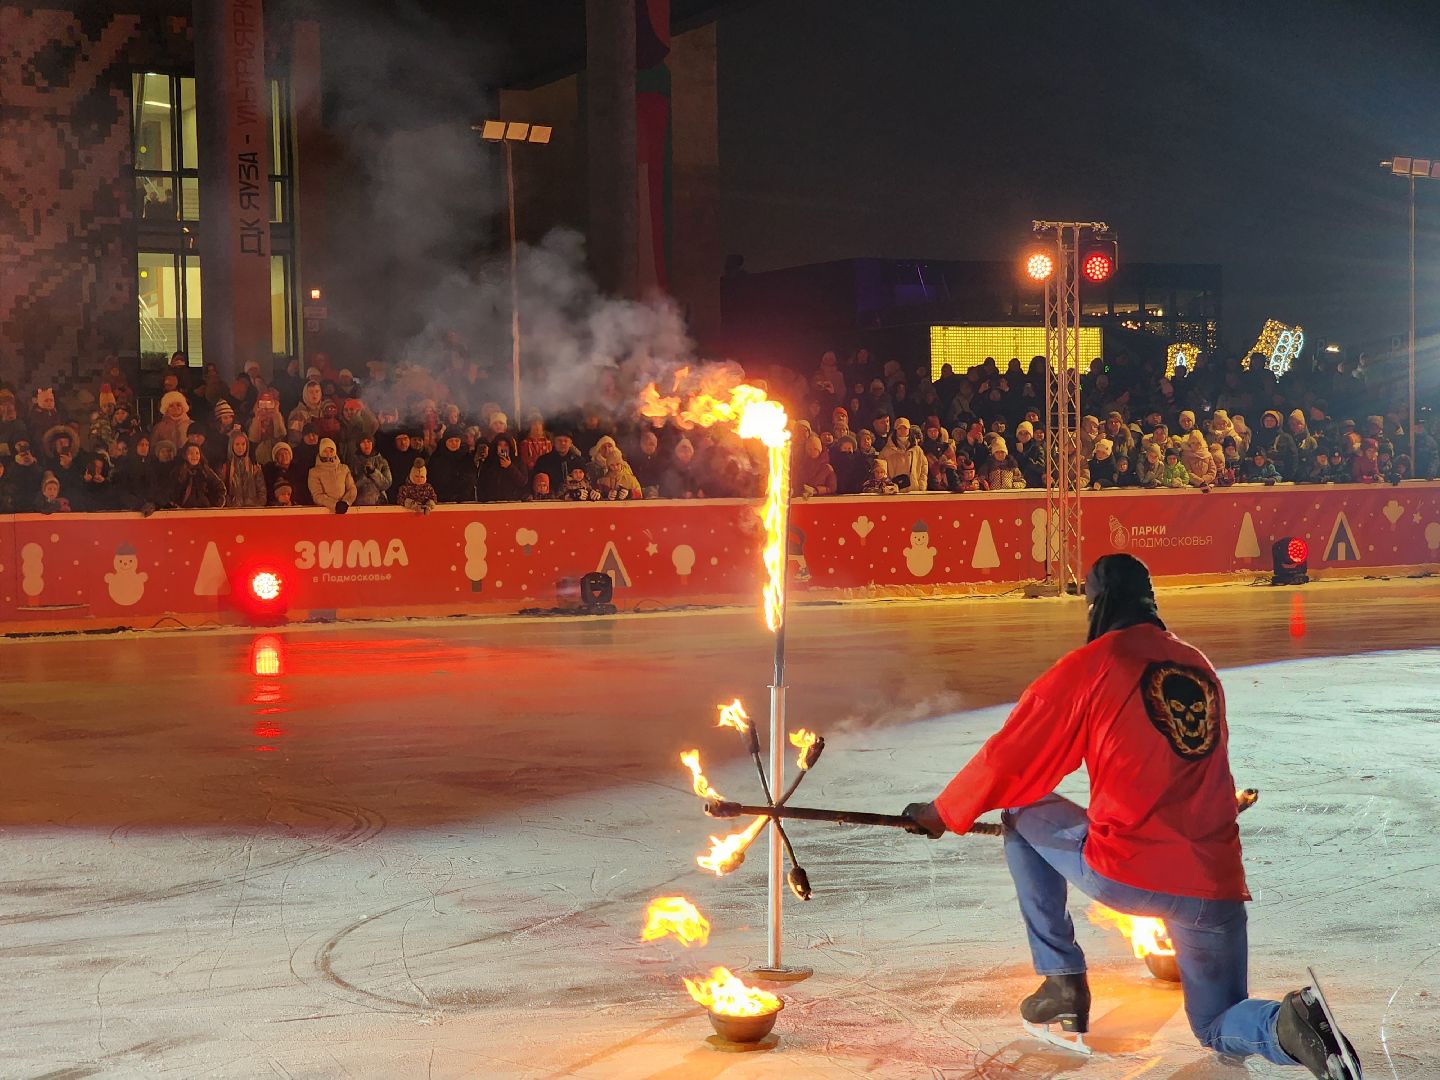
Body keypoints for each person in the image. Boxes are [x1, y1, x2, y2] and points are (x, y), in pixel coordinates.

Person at [899, 555, 1361, 1078]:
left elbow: (1011, 759)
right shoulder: (1198, 665)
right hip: (1216, 884)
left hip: (1130, 868)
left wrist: (942, 811)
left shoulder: (1094, 665)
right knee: (1216, 1022)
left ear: (1098, 604)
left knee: (1020, 807)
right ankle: (1286, 1025)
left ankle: (1061, 978)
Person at [307, 437, 357, 513]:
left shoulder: (344, 468)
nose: (328, 454)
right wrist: (335, 505)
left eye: (331, 451)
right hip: (325, 512)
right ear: (320, 452)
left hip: (345, 509)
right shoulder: (314, 472)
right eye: (325, 451)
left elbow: (351, 488)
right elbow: (317, 495)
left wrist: (346, 502)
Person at [220, 431, 267, 509]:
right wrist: (229, 504)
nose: (240, 447)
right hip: (232, 510)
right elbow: (221, 490)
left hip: (252, 509)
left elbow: (262, 489)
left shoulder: (254, 466)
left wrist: (258, 504)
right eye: (237, 444)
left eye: (243, 444)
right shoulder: (226, 467)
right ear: (231, 445)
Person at [348, 434, 393, 505]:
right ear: (359, 445)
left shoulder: (382, 461)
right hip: (359, 503)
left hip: (379, 502)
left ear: (372, 443)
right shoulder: (353, 462)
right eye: (363, 442)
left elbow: (387, 484)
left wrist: (373, 472)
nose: (366, 444)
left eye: (368, 441)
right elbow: (349, 486)